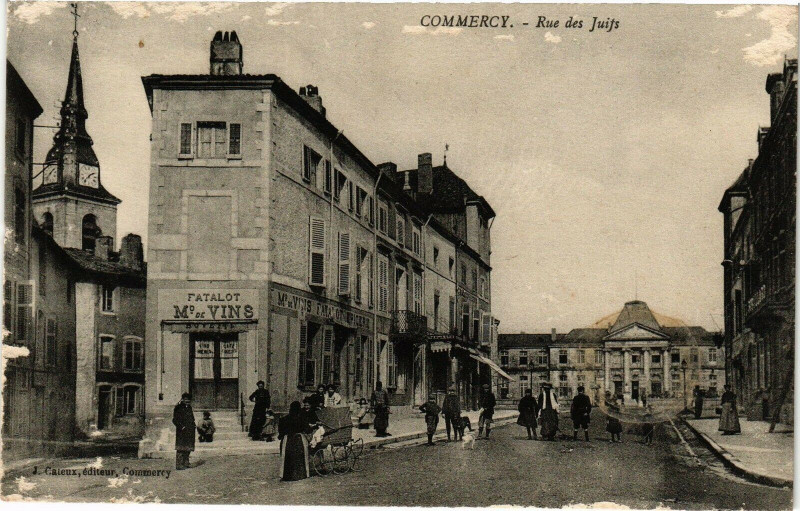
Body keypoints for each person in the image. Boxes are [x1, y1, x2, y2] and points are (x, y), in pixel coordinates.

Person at [278, 401, 312, 481]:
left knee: (287, 457)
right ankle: (299, 475)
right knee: (300, 457)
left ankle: (287, 475)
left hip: (287, 440)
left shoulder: (284, 419)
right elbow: (307, 430)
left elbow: (281, 432)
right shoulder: (302, 418)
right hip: (298, 440)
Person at [172, 393, 196, 470]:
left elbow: (192, 418)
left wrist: (194, 425)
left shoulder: (189, 407)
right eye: (186, 400)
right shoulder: (178, 407)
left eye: (188, 400)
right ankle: (179, 464)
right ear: (182, 399)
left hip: (190, 430)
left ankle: (186, 463)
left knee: (188, 447)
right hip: (182, 431)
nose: (187, 401)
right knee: (181, 448)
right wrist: (181, 427)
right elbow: (174, 420)